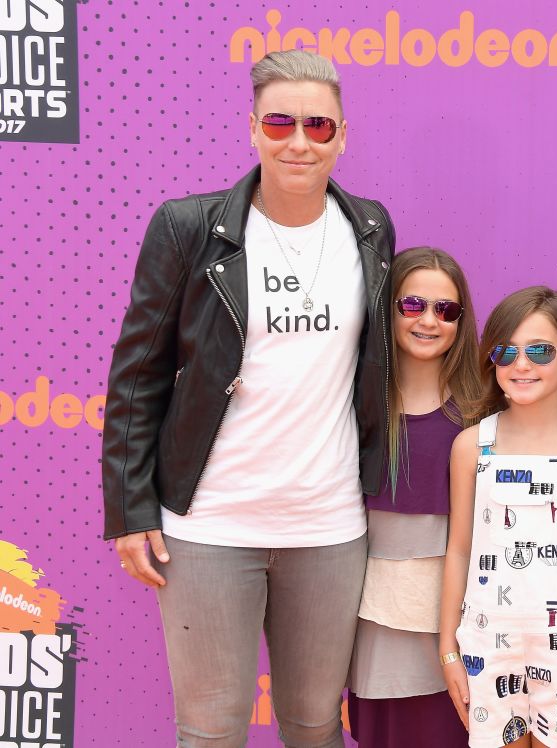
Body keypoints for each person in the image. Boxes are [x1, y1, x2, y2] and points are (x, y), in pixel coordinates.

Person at [102, 50, 394, 747]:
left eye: (319, 126)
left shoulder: (372, 231)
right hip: (209, 527)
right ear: (253, 128)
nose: (300, 141)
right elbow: (138, 373)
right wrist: (130, 509)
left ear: (343, 135)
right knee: (209, 730)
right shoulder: (189, 228)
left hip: (327, 528)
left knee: (317, 725)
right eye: (281, 122)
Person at [440, 287, 557, 748]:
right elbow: (459, 550)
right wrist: (448, 653)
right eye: (506, 352)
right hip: (485, 646)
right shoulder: (470, 446)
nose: (521, 365)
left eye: (540, 351)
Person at [347, 247, 478, 747]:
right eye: (413, 305)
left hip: (464, 619)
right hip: (369, 613)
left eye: (446, 310)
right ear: (387, 309)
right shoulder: (350, 402)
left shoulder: (483, 409)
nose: (429, 320)